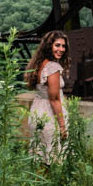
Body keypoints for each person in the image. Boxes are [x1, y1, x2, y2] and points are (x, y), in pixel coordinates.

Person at [24, 30, 71, 164]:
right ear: (49, 46)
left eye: (63, 46)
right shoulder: (52, 67)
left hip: (37, 112)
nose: (61, 49)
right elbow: (54, 99)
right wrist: (62, 126)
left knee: (40, 156)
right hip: (50, 116)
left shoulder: (39, 64)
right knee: (54, 158)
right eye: (57, 45)